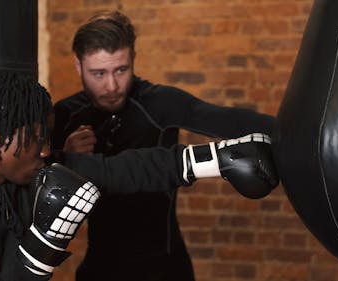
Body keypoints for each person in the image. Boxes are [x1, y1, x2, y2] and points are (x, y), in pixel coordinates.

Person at [0, 70, 278, 280]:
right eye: (36, 138)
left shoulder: (26, 176)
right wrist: (43, 242)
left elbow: (121, 169)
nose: (44, 149)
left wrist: (218, 158)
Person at [52, 10, 277, 281]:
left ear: (133, 59)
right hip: (101, 267)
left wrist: (316, 134)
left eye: (120, 70)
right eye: (98, 73)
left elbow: (233, 121)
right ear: (78, 66)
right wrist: (65, 161)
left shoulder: (159, 104)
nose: (111, 85)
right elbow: (33, 201)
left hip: (165, 267)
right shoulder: (65, 116)